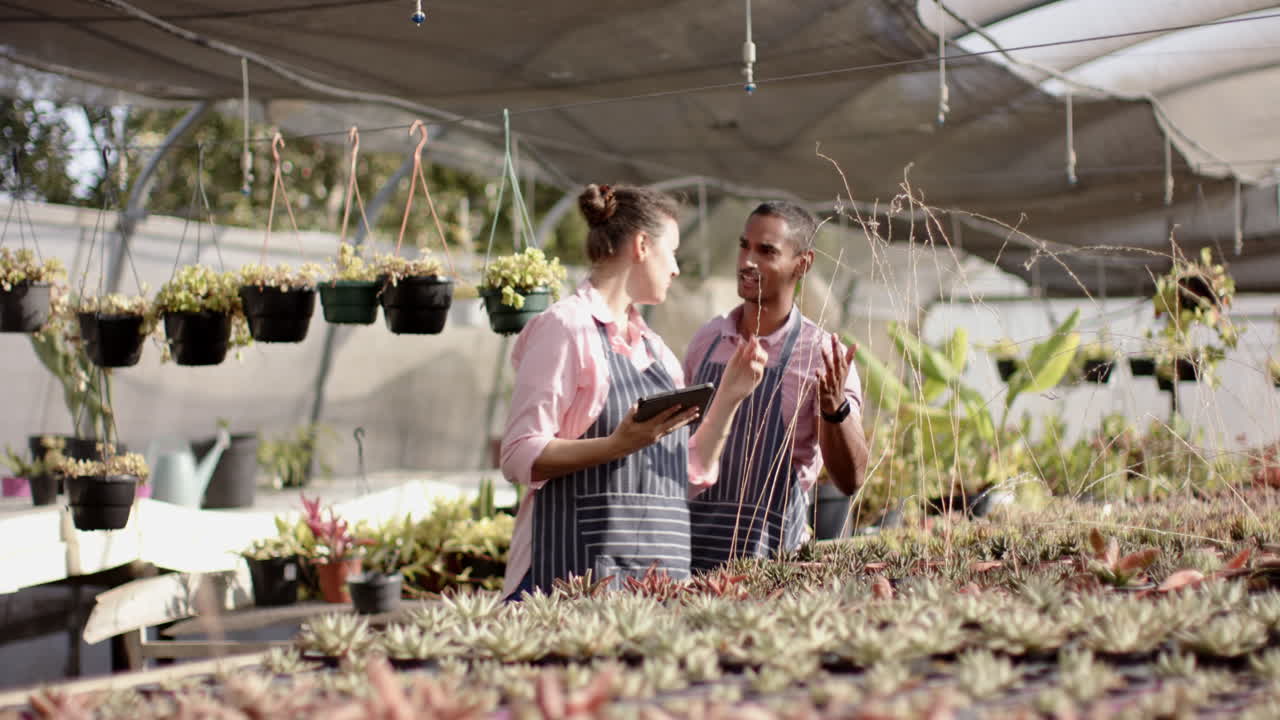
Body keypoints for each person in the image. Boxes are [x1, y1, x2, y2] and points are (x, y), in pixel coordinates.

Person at [499, 184, 767, 598]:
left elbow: (686, 471)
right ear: (642, 245)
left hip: (657, 584)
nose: (676, 268)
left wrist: (731, 395)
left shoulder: (656, 351)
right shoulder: (566, 328)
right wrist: (617, 445)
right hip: (572, 579)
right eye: (672, 251)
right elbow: (518, 455)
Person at [683, 201, 869, 571]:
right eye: (744, 246)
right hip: (688, 555)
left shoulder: (821, 355)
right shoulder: (708, 340)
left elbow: (850, 479)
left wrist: (835, 409)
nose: (747, 261)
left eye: (766, 251)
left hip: (769, 565)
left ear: (802, 264)